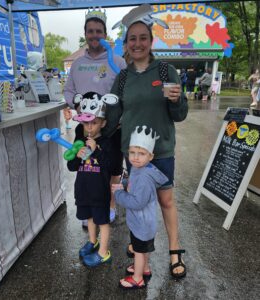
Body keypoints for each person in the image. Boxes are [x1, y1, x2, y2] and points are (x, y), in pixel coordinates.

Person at [104, 17, 188, 279]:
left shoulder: (165, 72)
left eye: (143, 38)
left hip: (160, 150)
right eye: (132, 39)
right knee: (138, 203)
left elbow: (180, 114)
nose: (137, 43)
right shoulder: (123, 77)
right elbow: (113, 113)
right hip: (134, 154)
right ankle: (141, 249)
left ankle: (175, 251)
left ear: (151, 42)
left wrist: (177, 101)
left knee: (165, 201)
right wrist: (93, 134)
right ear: (126, 45)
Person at [63, 7, 126, 226]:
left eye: (99, 31)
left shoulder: (117, 62)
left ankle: (109, 205)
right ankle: (90, 208)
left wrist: (118, 116)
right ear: (85, 33)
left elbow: (126, 93)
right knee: (87, 166)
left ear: (105, 34)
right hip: (86, 127)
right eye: (90, 31)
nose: (95, 35)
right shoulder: (78, 64)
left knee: (113, 168)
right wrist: (78, 105)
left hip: (112, 127)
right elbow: (68, 91)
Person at [112, 126, 168, 289]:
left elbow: (137, 202)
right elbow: (132, 185)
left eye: (141, 153)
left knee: (138, 250)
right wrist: (124, 183)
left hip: (142, 223)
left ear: (151, 156)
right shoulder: (141, 168)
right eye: (132, 152)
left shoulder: (143, 176)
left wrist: (119, 194)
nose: (136, 157)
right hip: (145, 223)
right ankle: (144, 268)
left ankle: (137, 278)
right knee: (143, 249)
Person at [67, 91, 118, 267]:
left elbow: (111, 167)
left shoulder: (107, 143)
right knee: (89, 218)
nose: (89, 127)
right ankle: (92, 241)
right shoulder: (79, 142)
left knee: (102, 221)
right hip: (83, 190)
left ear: (103, 123)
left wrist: (96, 150)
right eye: (85, 123)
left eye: (94, 123)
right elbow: (71, 167)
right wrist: (77, 156)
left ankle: (103, 252)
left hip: (100, 192)